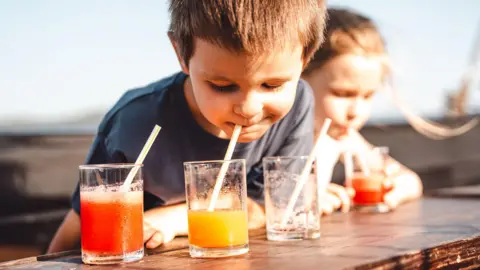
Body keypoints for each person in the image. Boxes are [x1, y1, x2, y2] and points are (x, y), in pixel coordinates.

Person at [47, 0, 327, 253]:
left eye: (273, 85)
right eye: (222, 86)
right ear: (181, 54)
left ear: (305, 58)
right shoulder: (134, 121)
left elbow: (279, 207)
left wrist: (175, 218)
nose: (249, 108)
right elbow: (79, 229)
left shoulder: (298, 103)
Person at [302, 8, 423, 215]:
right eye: (342, 94)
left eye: (367, 96)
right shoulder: (269, 132)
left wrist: (395, 187)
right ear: (299, 76)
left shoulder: (345, 137)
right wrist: (303, 200)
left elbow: (412, 181)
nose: (355, 111)